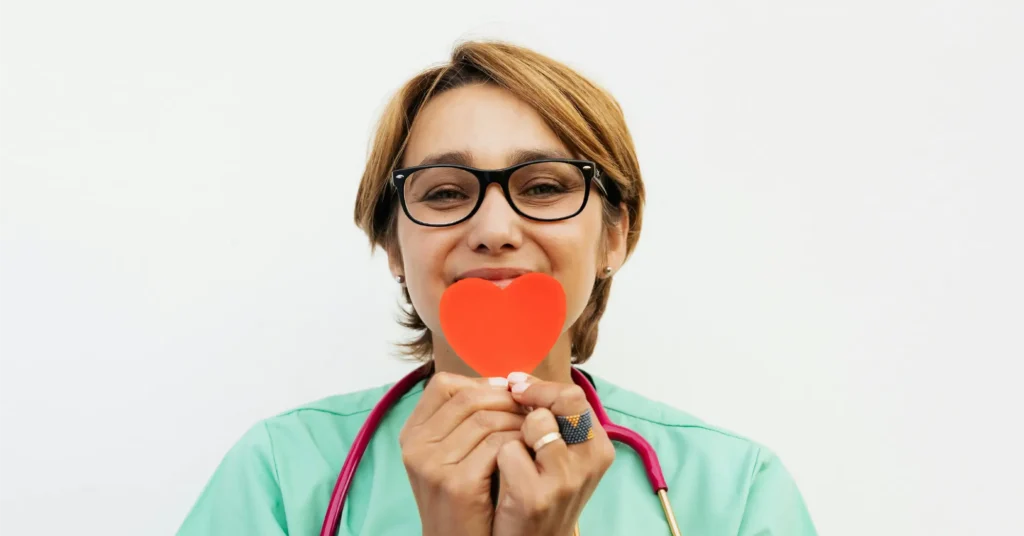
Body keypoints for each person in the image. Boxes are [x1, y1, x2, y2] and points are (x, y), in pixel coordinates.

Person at [177, 40, 817, 535]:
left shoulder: (737, 491)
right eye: (446, 193)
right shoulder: (281, 474)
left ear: (615, 235)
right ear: (393, 246)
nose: (494, 228)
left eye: (543, 186)